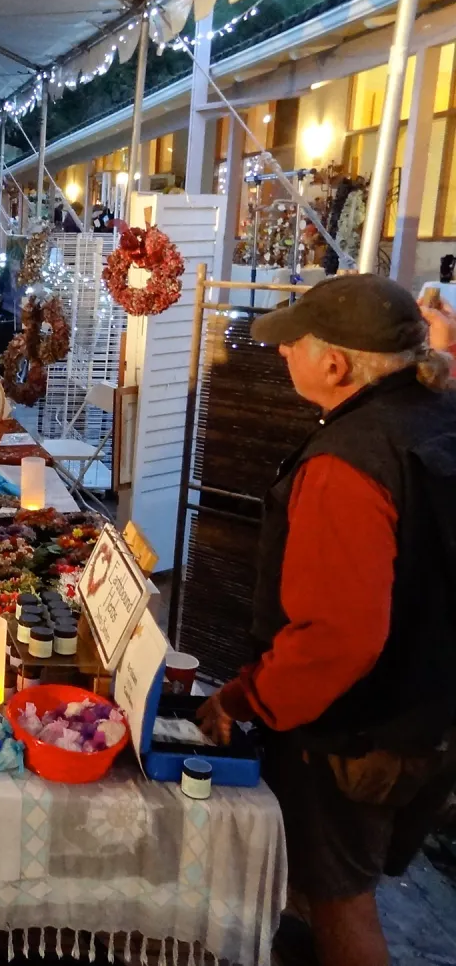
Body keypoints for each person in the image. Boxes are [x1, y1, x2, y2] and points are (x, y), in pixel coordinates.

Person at [197, 275, 456, 966]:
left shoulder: (350, 462)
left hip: (352, 730)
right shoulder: (437, 417)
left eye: (293, 345)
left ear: (334, 364)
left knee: (339, 899)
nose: (282, 356)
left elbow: (339, 637)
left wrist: (245, 697)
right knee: (334, 889)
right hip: (424, 709)